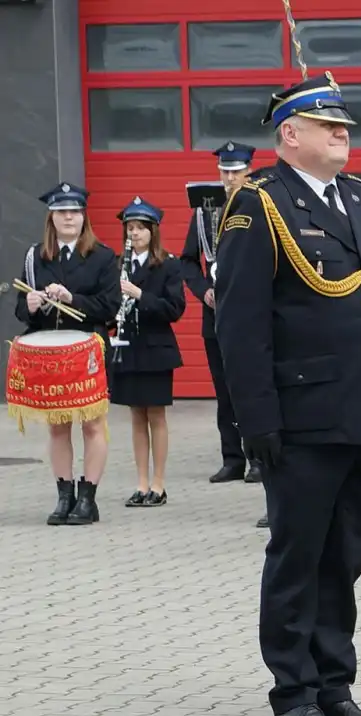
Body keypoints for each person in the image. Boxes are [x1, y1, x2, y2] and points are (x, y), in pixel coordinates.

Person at [214, 73, 361, 716]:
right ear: (290, 135)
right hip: (302, 415)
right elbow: (240, 325)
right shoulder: (259, 205)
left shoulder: (360, 198)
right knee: (298, 555)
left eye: (346, 126)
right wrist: (255, 420)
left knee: (346, 554)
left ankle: (334, 682)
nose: (345, 135)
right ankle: (292, 688)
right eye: (330, 126)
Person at [14, 183, 119, 525]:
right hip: (49, 353)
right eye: (61, 212)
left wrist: (72, 298)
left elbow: (111, 306)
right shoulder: (35, 256)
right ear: (52, 217)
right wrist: (29, 304)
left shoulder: (103, 256)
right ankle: (65, 496)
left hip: (87, 349)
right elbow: (21, 308)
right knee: (58, 428)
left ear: (83, 216)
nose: (68, 218)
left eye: (74, 211)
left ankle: (88, 498)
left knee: (92, 425)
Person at [181, 141, 262, 485]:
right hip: (216, 314)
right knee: (224, 389)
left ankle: (259, 457)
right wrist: (203, 291)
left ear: (248, 171)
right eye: (224, 171)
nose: (229, 178)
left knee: (253, 385)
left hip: (252, 312)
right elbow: (187, 260)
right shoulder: (204, 211)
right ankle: (233, 459)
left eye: (235, 171)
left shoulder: (261, 205)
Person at [109, 197, 186, 507]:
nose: (135, 234)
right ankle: (141, 484)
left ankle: (159, 484)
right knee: (135, 416)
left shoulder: (168, 263)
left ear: (153, 231)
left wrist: (140, 294)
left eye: (141, 228)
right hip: (127, 348)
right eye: (130, 228)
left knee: (156, 414)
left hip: (155, 348)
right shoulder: (118, 264)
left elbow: (174, 308)